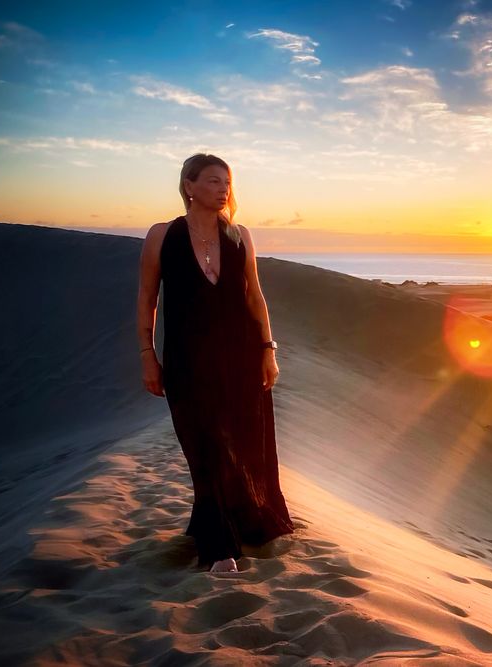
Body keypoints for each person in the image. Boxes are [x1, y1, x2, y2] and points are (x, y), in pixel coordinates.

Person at [136, 153, 295, 575]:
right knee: (202, 448)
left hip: (240, 357)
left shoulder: (239, 235)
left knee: (240, 446)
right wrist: (147, 355)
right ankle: (218, 548)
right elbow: (147, 299)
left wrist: (268, 350)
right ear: (189, 186)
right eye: (212, 181)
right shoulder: (161, 236)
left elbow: (253, 297)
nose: (223, 189)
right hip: (187, 361)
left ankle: (238, 523)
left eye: (227, 182)